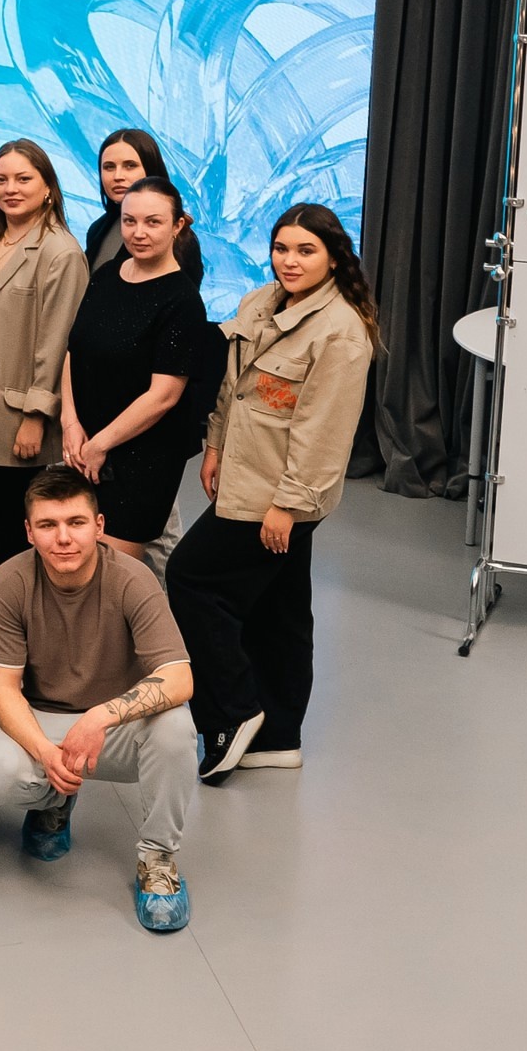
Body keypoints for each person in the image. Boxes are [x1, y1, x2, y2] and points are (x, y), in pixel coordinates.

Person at [167, 204, 376, 783]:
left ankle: (233, 711)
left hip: (278, 494)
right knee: (278, 608)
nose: (290, 261)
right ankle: (279, 737)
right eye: (282, 248)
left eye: (306, 251)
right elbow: (234, 387)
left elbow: (323, 432)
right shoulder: (260, 301)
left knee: (191, 578)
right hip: (244, 471)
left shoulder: (341, 333)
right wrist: (214, 443)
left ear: (334, 258)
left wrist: (288, 506)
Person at [0, 465, 198, 933]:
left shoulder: (133, 579)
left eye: (76, 522)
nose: (63, 538)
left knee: (177, 729)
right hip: (45, 719)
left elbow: (179, 678)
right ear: (29, 531)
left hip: (115, 727)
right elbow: (2, 689)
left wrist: (101, 716)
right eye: (48, 525)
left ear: (98, 526)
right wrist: (43, 752)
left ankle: (158, 859)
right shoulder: (8, 582)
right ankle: (53, 801)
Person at [0, 139, 89, 571]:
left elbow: (57, 342)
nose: (10, 188)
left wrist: (36, 415)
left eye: (23, 178)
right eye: (1, 179)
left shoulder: (62, 252)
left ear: (48, 187)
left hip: (12, 425)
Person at [59, 178, 208, 562]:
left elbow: (163, 396)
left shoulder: (183, 301)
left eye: (153, 222)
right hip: (85, 444)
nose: (139, 232)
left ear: (177, 225)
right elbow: (74, 349)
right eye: (130, 221)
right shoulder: (107, 274)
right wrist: (70, 422)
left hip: (140, 457)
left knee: (109, 570)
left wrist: (101, 444)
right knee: (71, 563)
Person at [86, 127, 203, 279]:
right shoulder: (97, 229)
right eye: (109, 167)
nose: (117, 176)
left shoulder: (180, 238)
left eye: (130, 166)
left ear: (150, 169)